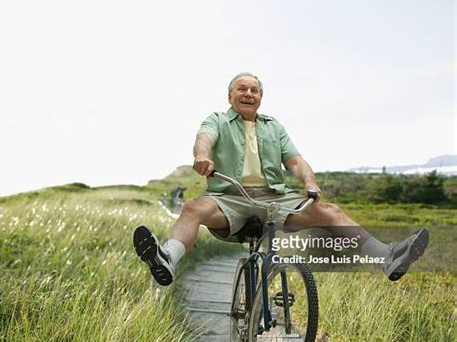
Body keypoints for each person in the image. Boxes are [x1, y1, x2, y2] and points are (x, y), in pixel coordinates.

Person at [133, 72, 429, 286]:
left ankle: (386, 257)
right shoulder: (217, 120)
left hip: (276, 198)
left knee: (330, 212)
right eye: (242, 89)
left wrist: (309, 182)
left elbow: (297, 161)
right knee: (193, 208)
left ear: (260, 97)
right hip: (229, 198)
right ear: (230, 96)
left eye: (254, 90)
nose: (249, 94)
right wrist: (202, 156)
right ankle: (166, 258)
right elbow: (204, 140)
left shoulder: (274, 127)